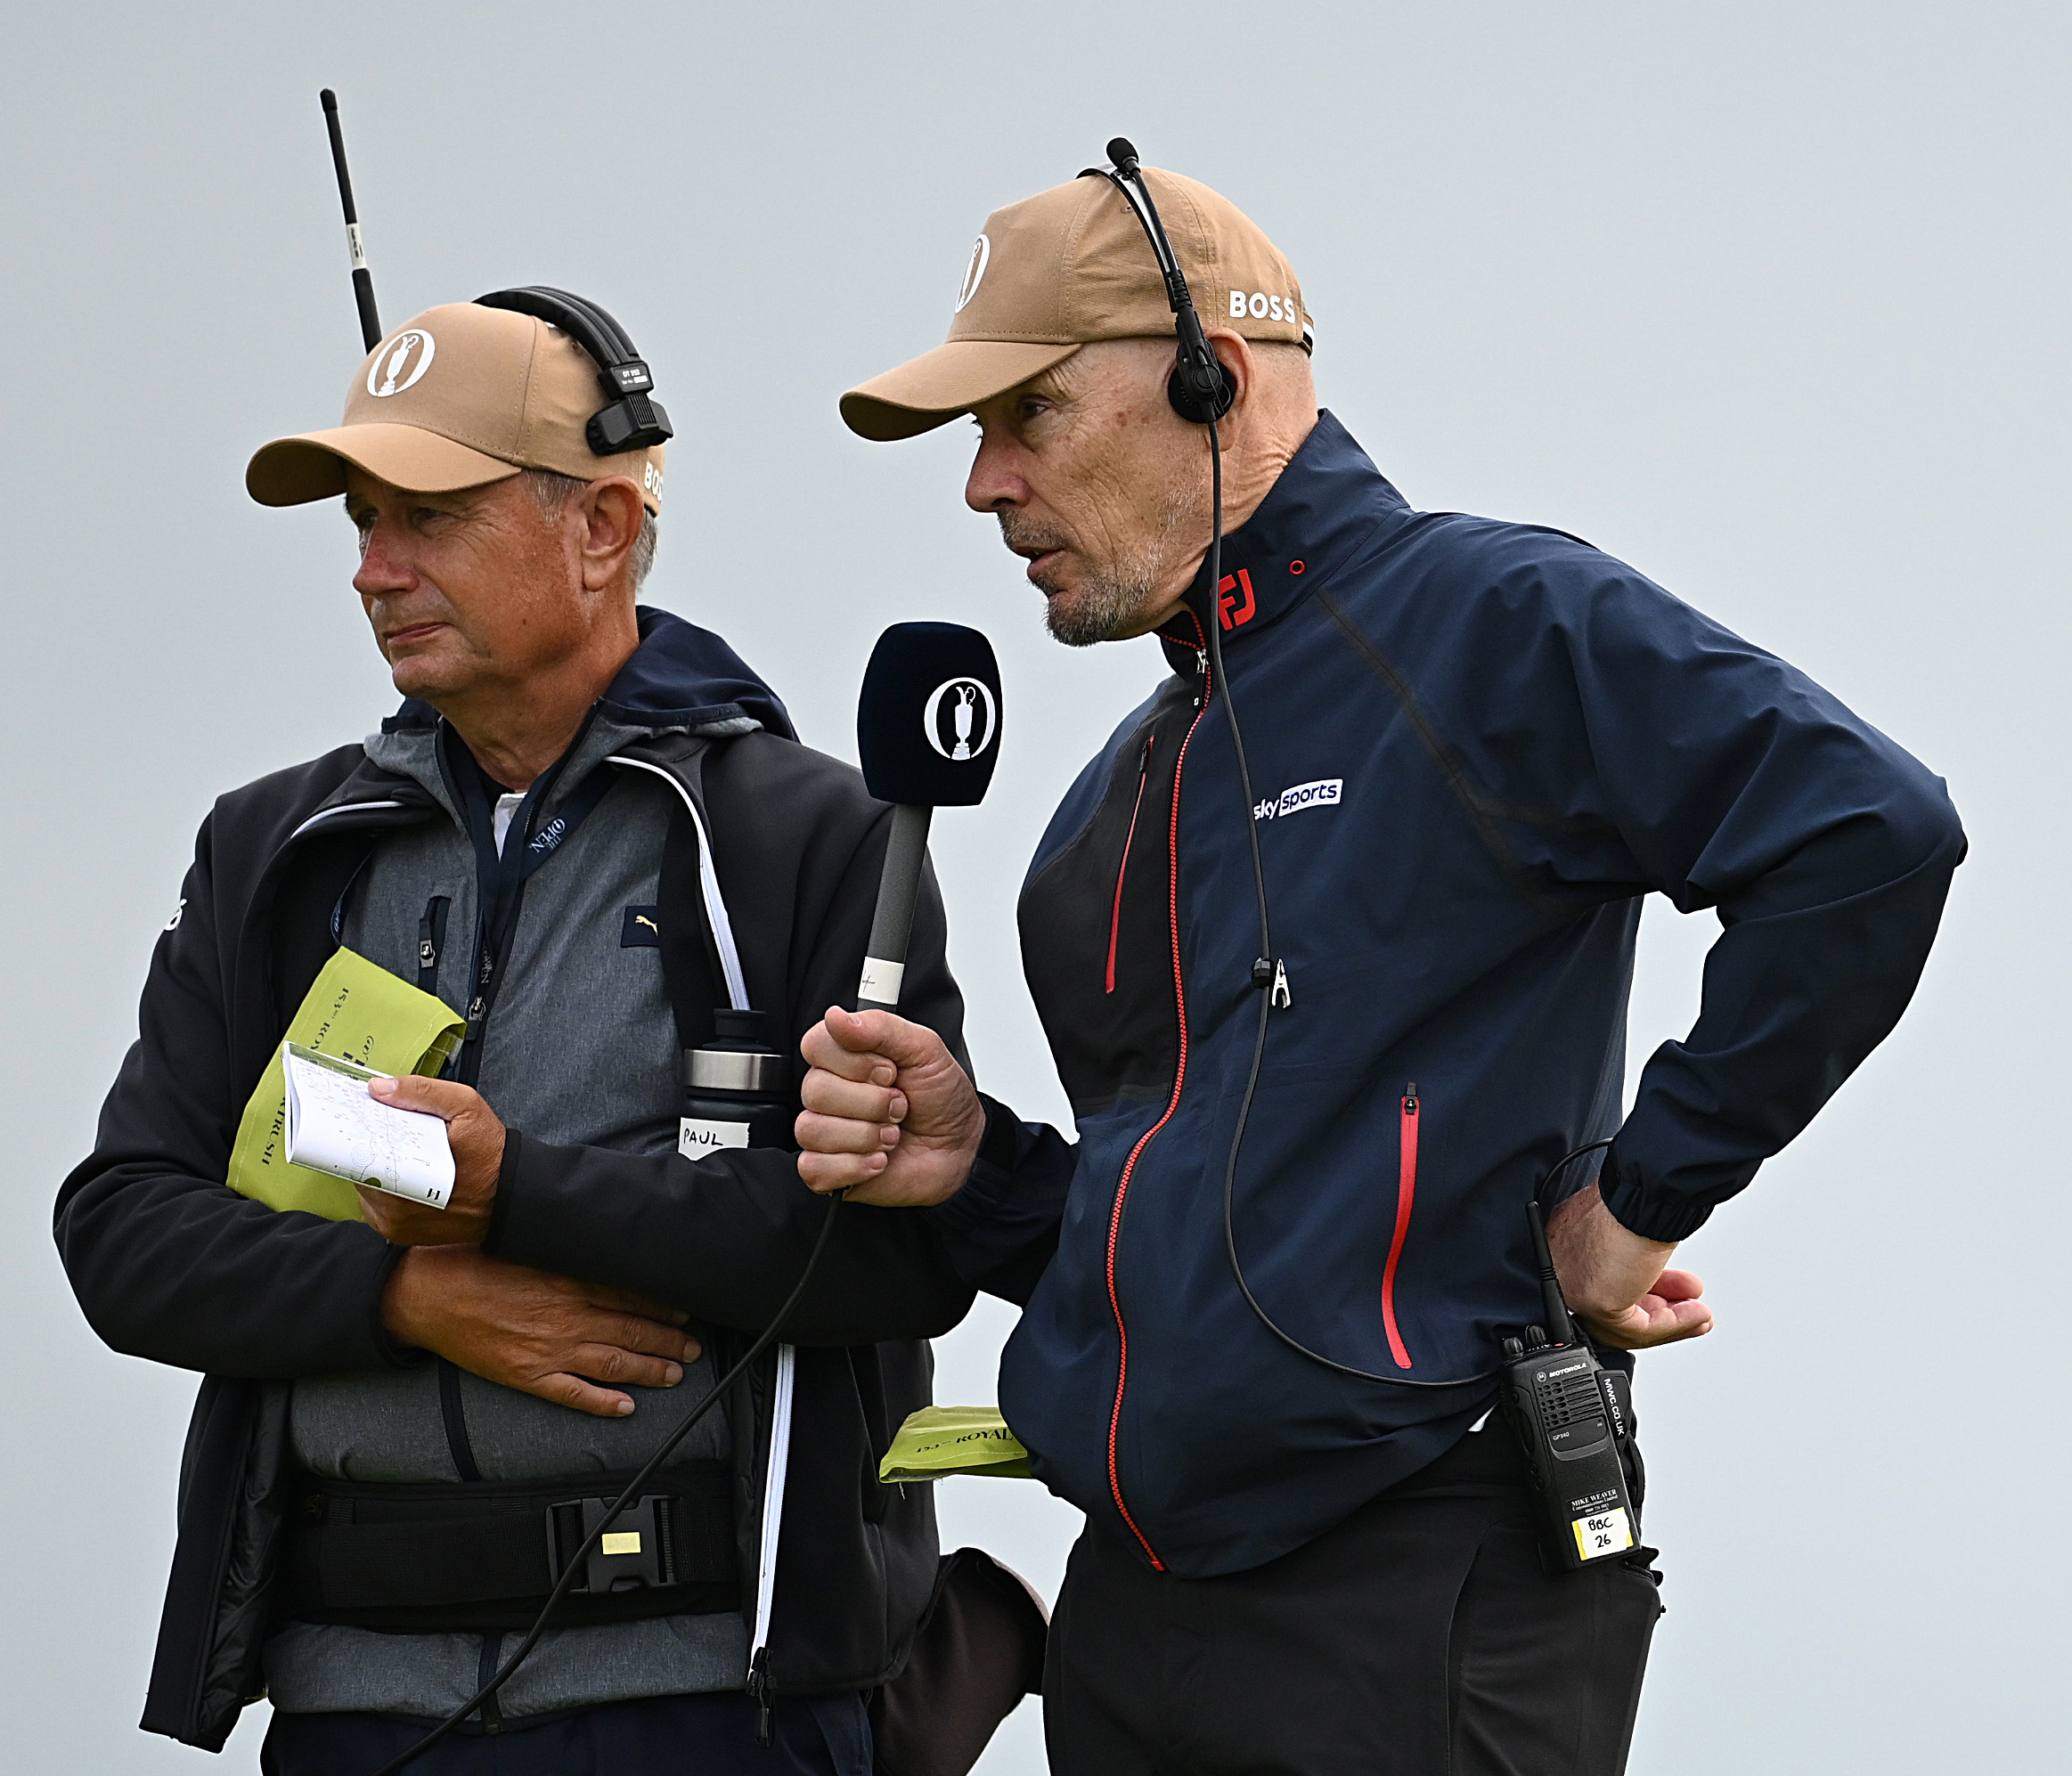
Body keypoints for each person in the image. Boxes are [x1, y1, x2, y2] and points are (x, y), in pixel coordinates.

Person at [793, 162, 1966, 1774]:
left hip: (1422, 1578)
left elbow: (1873, 836)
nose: (984, 485)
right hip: (1131, 1611)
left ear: (1216, 376)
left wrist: (1643, 1197)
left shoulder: (1487, 619)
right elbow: (1195, 1227)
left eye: (1030, 417)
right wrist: (974, 1168)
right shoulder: (1108, 807)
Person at [55, 293, 982, 1773]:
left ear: (604, 526)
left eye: (424, 513)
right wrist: (409, 1298)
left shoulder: (807, 834)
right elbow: (122, 1234)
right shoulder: (270, 847)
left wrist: (521, 1195)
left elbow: (887, 1250)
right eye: (361, 520)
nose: (373, 569)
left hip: (710, 1707)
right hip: (353, 1708)